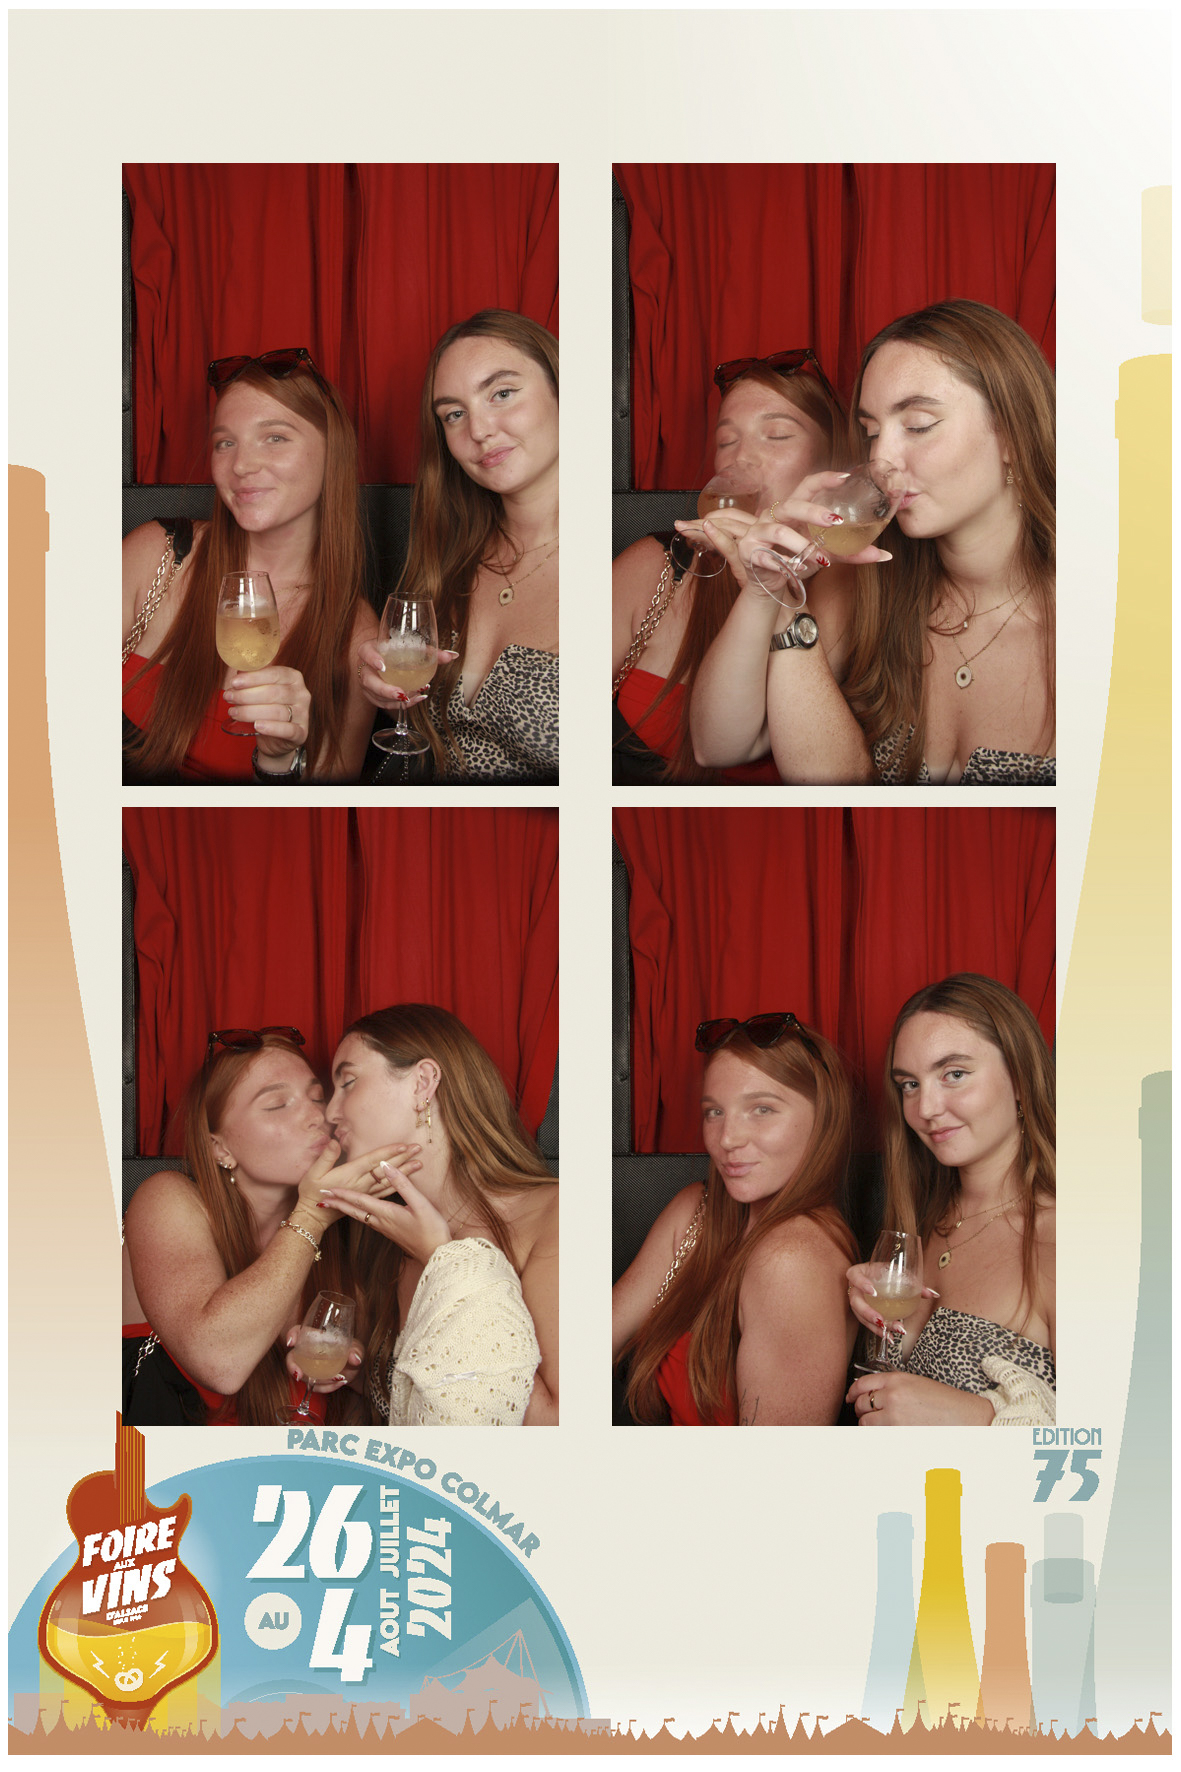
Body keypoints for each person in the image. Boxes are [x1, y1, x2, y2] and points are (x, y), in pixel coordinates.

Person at [690, 301, 1056, 785]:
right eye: (871, 432)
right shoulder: (869, 585)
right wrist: (771, 596)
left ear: (1011, 434)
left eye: (918, 425)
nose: (882, 456)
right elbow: (718, 745)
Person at [122, 1029, 410, 1425]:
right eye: (277, 1104)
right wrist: (311, 1215)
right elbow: (220, 1363)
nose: (319, 1117)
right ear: (219, 1148)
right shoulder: (166, 1200)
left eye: (317, 1097)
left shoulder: (341, 1243)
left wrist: (354, 1379)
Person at [613, 350, 875, 784]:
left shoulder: (851, 584)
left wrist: (776, 589)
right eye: (726, 441)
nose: (741, 459)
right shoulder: (656, 564)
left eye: (776, 435)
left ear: (831, 462)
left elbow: (823, 776)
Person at [123, 349, 378, 783]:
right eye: (225, 443)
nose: (240, 465)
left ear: (333, 452)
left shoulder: (357, 638)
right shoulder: (159, 554)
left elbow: (316, 812)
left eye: (274, 437)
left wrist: (278, 761)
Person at [316, 1004, 559, 1426]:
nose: (330, 1112)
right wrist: (358, 1376)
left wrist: (446, 1262)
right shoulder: (381, 1235)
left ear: (423, 1083)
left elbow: (557, 1424)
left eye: (348, 1082)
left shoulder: (554, 1215)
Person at [612, 1013, 857, 1426]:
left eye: (761, 1109)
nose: (727, 1139)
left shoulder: (792, 1261)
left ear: (824, 1119)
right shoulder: (700, 1209)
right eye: (714, 1112)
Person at [845, 975, 1056, 1425]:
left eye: (954, 1074)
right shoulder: (923, 1222)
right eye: (909, 1084)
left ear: (1020, 1077)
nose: (925, 1109)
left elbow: (1121, 1445)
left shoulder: (1069, 1240)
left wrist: (978, 1419)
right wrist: (867, 1312)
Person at [358, 312, 559, 784]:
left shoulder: (626, 569)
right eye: (454, 414)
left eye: (502, 393)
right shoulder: (447, 558)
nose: (479, 430)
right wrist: (382, 690)